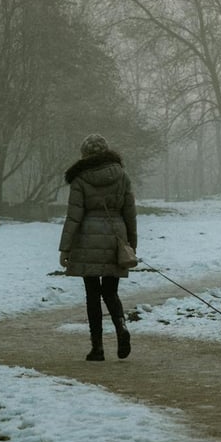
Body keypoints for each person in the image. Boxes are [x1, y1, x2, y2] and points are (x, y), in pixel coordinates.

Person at [58, 133, 137, 361]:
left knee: (92, 294)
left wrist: (65, 249)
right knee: (111, 291)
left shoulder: (80, 178)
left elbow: (73, 216)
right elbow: (130, 213)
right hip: (115, 237)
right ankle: (121, 327)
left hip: (87, 239)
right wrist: (131, 244)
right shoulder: (122, 175)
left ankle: (97, 348)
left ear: (84, 154)